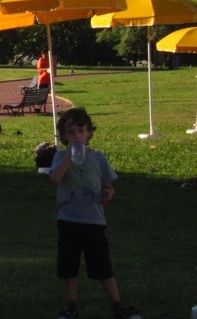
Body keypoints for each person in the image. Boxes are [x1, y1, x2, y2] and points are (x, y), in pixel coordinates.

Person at [50, 108, 140, 319]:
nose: (76, 136)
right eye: (71, 132)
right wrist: (68, 157)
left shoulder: (98, 158)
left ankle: (117, 305)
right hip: (68, 219)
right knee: (69, 264)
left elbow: (108, 186)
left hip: (93, 220)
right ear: (64, 135)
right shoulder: (60, 156)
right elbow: (55, 179)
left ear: (89, 132)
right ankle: (71, 305)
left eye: (80, 130)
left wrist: (108, 195)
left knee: (102, 264)